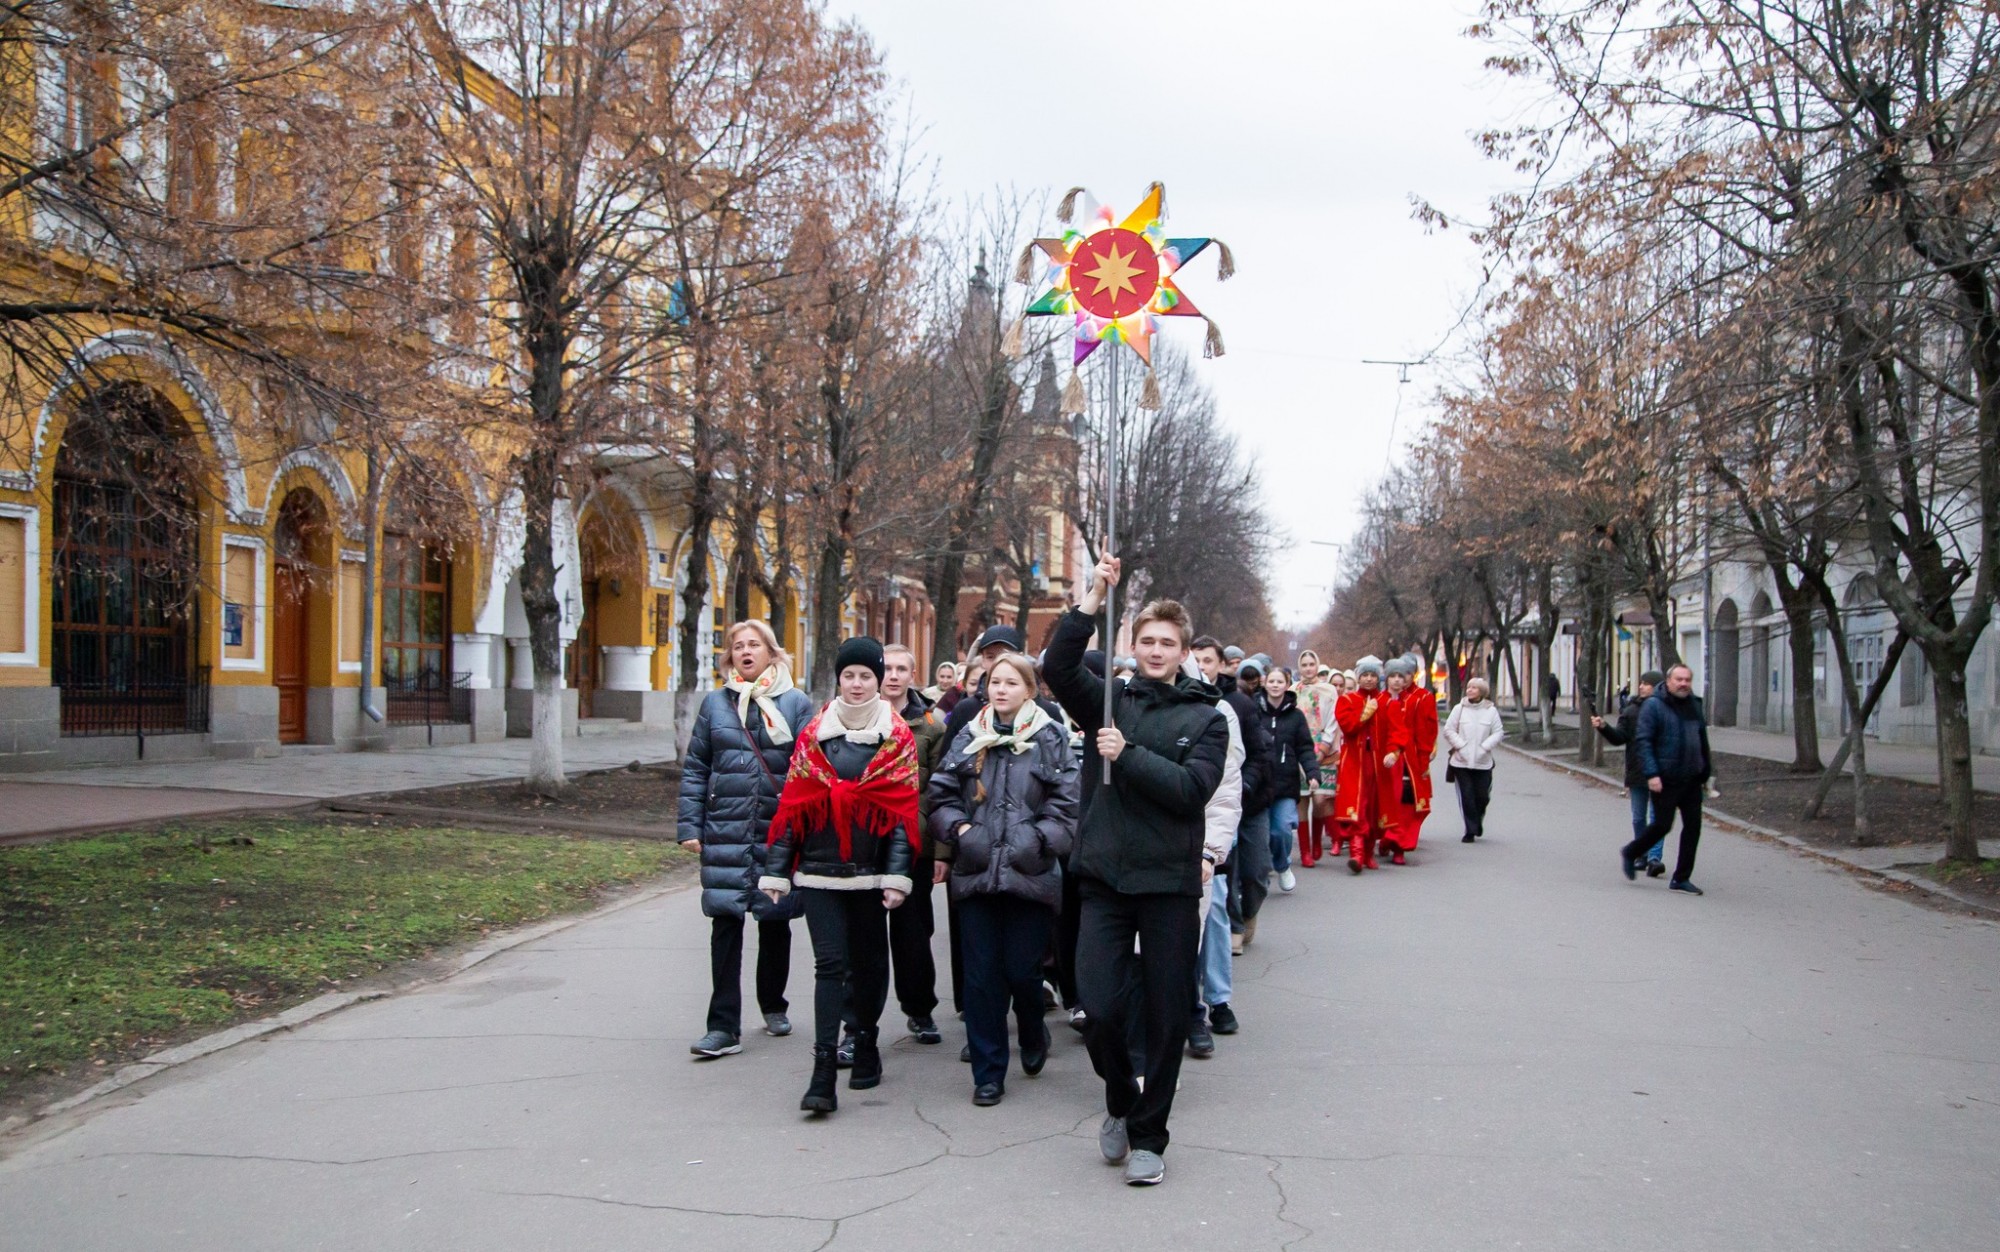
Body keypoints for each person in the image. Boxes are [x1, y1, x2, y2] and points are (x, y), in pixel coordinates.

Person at [1045, 556, 1230, 1188]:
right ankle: (1121, 1098)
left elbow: (1190, 790)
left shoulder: (1208, 717)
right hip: (1103, 878)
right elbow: (1056, 666)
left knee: (1168, 1015)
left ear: (1184, 652)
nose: (1156, 650)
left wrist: (1127, 755)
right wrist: (1096, 593)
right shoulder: (1109, 697)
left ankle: (1151, 1136)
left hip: (1169, 883)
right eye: (1146, 641)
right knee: (1096, 1006)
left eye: (1167, 644)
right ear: (1132, 644)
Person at [758, 637, 919, 1114]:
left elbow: (900, 815)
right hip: (820, 872)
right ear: (839, 678)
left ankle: (865, 1041)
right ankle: (823, 1070)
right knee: (829, 966)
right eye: (848, 675)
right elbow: (794, 807)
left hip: (870, 876)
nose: (856, 683)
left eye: (865, 676)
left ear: (877, 681)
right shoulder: (813, 733)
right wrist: (777, 872)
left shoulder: (897, 737)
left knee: (868, 966)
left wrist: (896, 877)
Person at [927, 652, 1079, 1106]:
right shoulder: (970, 736)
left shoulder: (1050, 738)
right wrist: (962, 831)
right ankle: (988, 1072)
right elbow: (939, 795)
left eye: (1012, 683)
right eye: (995, 681)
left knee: (1021, 973)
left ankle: (1033, 1033)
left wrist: (1035, 841)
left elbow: (1067, 806)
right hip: (975, 872)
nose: (1001, 689)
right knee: (980, 978)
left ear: (1029, 690)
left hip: (1028, 874)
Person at [679, 620, 816, 1060]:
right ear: (729, 657)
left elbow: (810, 768)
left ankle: (773, 1004)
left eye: (754, 644)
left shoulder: (795, 703)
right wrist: (689, 827)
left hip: (778, 829)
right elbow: (697, 767)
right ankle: (722, 1027)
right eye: (738, 646)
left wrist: (807, 828)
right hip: (727, 828)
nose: (745, 651)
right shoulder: (715, 705)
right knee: (726, 922)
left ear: (773, 653)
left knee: (774, 920)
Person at [864, 644, 949, 1046]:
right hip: (864, 844)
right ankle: (860, 1021)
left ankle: (920, 1010)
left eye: (902, 669)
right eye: (887, 668)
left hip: (914, 844)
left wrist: (941, 852)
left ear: (913, 676)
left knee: (913, 934)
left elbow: (943, 793)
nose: (893, 676)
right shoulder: (853, 717)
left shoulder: (933, 724)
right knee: (864, 937)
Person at [1188, 636, 1267, 1039]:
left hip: (1219, 820)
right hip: (1176, 825)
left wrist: (1243, 793)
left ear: (1221, 665)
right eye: (1195, 659)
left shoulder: (1230, 708)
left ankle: (1218, 998)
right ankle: (1189, 1007)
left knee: (1216, 905)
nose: (1201, 666)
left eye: (1208, 660)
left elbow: (1246, 761)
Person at [1621, 664, 1712, 895]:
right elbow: (1644, 741)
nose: (1683, 684)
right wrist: (1651, 774)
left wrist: (1706, 772)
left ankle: (1681, 878)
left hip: (1691, 778)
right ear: (1668, 681)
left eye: (1687, 680)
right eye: (1679, 679)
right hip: (1665, 777)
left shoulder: (1694, 704)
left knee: (1693, 827)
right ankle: (1631, 852)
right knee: (1662, 825)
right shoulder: (1654, 706)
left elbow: (1701, 740)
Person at [1333, 656, 1402, 873]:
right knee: (1358, 806)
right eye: (1365, 675)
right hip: (1355, 762)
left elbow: (1396, 732)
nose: (1369, 679)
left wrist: (1394, 751)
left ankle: (1369, 852)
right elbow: (1348, 727)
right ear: (1358, 677)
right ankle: (1357, 852)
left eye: (1373, 675)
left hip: (1377, 764)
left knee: (1375, 807)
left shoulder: (1387, 703)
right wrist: (1365, 714)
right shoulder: (1347, 700)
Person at [1593, 669, 1665, 875]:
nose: (1641, 686)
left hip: (1660, 771)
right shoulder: (1631, 711)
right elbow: (1618, 738)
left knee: (1657, 818)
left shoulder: (1666, 710)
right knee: (1638, 817)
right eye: (1641, 683)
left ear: (1657, 687)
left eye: (1646, 683)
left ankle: (1654, 859)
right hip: (1637, 770)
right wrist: (1603, 726)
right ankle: (1641, 855)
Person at [1225, 657, 1276, 945]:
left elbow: (1259, 757)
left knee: (1255, 871)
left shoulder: (1246, 708)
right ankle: (1234, 928)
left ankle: (1249, 912)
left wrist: (1245, 784)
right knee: (1227, 873)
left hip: (1253, 803)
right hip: (1222, 805)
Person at [1258, 666, 1320, 887]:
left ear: (1287, 684)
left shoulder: (1296, 716)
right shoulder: (1254, 711)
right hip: (1258, 784)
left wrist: (1312, 773)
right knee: (1261, 834)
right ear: (1265, 683)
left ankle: (1282, 866)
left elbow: (1304, 747)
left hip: (1285, 784)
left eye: (1279, 681)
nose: (1275, 685)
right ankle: (1260, 874)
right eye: (1271, 681)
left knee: (1281, 829)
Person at [1378, 655, 1436, 865]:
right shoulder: (1378, 700)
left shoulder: (1417, 699)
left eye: (1401, 676)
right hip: (1383, 757)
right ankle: (1386, 838)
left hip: (1408, 758)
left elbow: (1424, 731)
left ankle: (1400, 844)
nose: (1397, 680)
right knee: (1385, 799)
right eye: (1391, 676)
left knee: (1408, 802)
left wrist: (1424, 758)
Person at [1441, 677, 1506, 841]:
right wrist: (1461, 747)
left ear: (1482, 692)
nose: (1470, 690)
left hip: (1483, 762)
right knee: (1467, 796)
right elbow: (1448, 730)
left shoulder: (1490, 711)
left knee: (1482, 796)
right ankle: (1470, 830)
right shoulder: (1459, 709)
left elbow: (1498, 732)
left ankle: (1478, 819)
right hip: (1461, 762)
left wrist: (1485, 748)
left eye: (1474, 688)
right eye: (1469, 687)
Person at [1294, 651, 1342, 866]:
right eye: (1304, 664)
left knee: (1320, 800)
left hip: (1325, 750)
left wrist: (1324, 746)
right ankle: (1305, 851)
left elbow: (1334, 719)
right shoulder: (1293, 690)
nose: (1308, 668)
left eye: (1312, 664)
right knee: (1302, 800)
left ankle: (1317, 842)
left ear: (1318, 665)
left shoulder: (1329, 690)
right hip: (1300, 751)